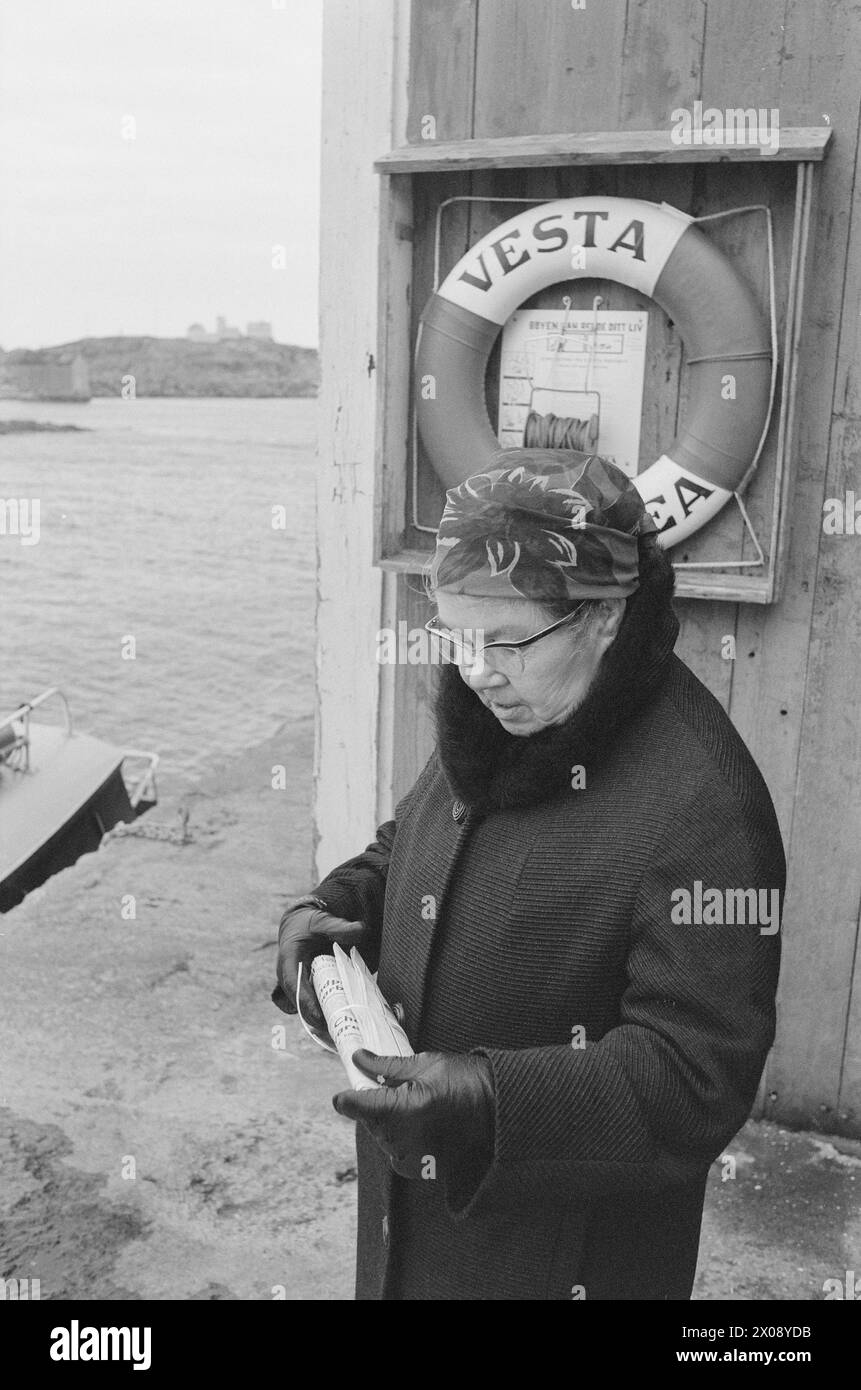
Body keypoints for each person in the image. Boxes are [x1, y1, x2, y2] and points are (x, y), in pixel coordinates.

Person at [272, 449, 785, 1301]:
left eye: (505, 639)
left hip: (562, 1260)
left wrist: (490, 1101)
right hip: (415, 1225)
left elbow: (700, 1076)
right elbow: (413, 842)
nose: (474, 672)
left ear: (604, 616)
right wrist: (330, 907)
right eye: (455, 635)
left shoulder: (706, 803)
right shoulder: (498, 710)